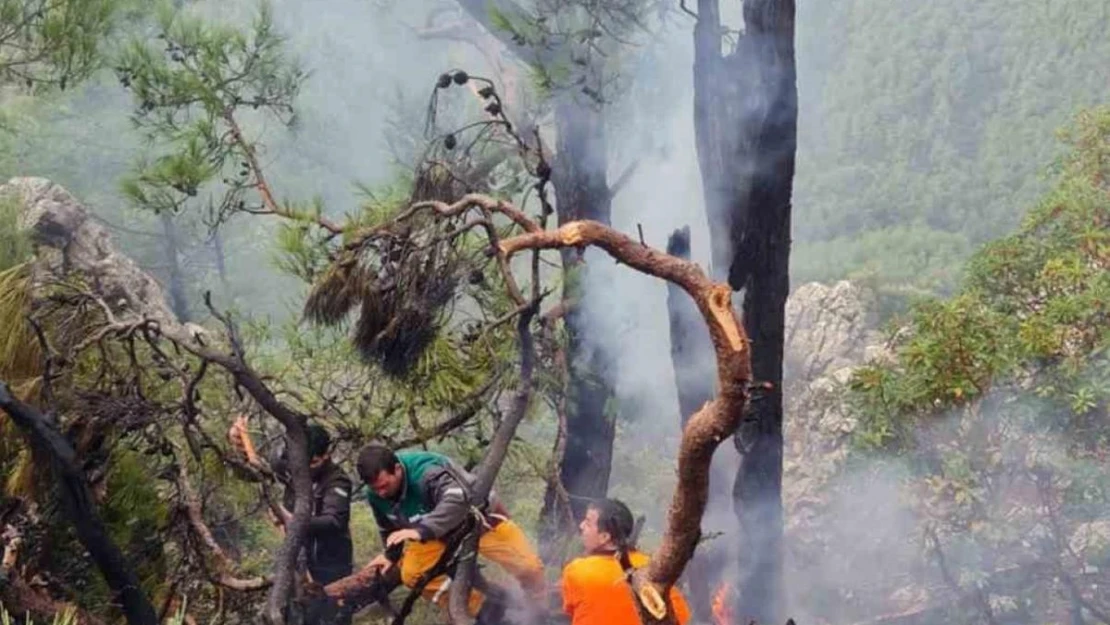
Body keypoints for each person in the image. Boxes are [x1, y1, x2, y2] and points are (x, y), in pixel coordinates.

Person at [356, 443, 546, 620]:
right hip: (436, 535)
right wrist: (391, 554)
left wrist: (422, 530)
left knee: (528, 566)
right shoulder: (375, 494)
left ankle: (539, 604)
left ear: (397, 469)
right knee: (413, 574)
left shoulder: (428, 472)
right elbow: (387, 524)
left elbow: (457, 499)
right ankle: (485, 608)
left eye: (384, 486)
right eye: (375, 488)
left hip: (480, 522)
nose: (380, 493)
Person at [560, 499, 691, 625]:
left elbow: (570, 611)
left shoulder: (577, 570)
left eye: (588, 523)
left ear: (605, 537)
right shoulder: (652, 567)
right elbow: (681, 616)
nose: (581, 526)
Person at [274, 424, 355, 624]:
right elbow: (267, 466)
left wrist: (294, 521)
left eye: (313, 462)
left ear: (325, 455)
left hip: (331, 566)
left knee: (332, 617)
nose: (307, 468)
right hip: (298, 561)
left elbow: (334, 521)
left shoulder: (338, 481)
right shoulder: (293, 464)